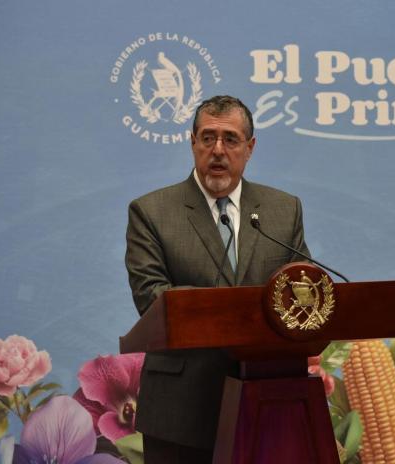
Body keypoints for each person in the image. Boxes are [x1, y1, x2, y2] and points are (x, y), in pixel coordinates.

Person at [125, 95, 310, 463]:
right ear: (192, 142)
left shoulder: (283, 210)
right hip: (180, 410)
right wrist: (235, 310)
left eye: (231, 139)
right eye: (208, 138)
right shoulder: (151, 211)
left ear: (250, 147)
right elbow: (151, 296)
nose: (218, 150)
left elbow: (295, 290)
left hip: (265, 401)